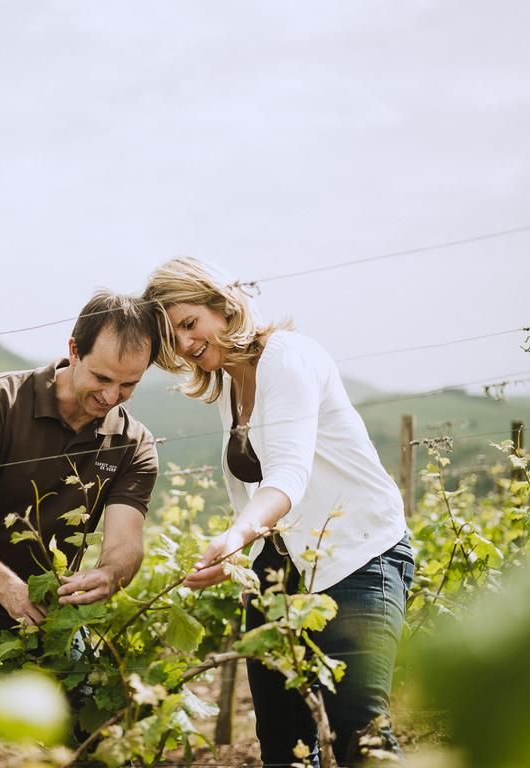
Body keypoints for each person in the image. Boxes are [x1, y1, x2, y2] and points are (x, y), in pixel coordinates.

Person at [141, 257, 413, 767]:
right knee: (282, 748)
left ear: (222, 306)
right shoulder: (225, 381)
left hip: (356, 554)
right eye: (171, 338)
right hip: (277, 572)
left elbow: (287, 474)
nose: (185, 343)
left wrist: (236, 536)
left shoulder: (288, 358)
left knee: (361, 736)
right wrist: (244, 559)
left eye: (188, 323)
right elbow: (251, 491)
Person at [0, 291, 160, 674]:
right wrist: (8, 589)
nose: (112, 396)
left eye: (129, 384)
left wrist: (111, 573)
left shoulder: (134, 445)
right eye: (102, 377)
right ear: (74, 350)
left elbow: (126, 542)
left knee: (97, 723)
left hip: (45, 611)